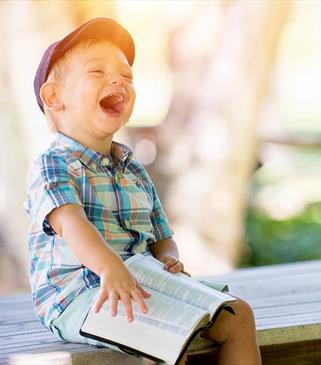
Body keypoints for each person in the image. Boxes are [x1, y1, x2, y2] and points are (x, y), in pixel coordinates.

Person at [24, 18, 262, 365]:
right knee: (167, 335)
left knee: (238, 316)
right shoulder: (53, 164)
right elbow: (71, 224)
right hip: (79, 295)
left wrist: (168, 256)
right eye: (96, 72)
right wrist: (109, 268)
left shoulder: (132, 167)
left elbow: (161, 234)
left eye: (127, 75)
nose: (118, 79)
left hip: (141, 280)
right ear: (54, 96)